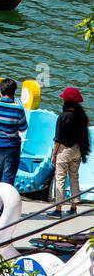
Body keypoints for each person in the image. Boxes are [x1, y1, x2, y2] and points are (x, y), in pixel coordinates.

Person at [51, 88, 89, 216]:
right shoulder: (82, 117)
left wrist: (53, 154)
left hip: (65, 150)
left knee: (60, 178)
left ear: (66, 101)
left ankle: (58, 209)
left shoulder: (63, 117)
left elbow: (58, 139)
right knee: (74, 177)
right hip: (77, 150)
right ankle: (73, 207)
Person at [0, 78, 28, 187]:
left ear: (0, 91)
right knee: (8, 177)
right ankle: (6, 201)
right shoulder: (18, 108)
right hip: (12, 146)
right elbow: (23, 128)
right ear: (14, 92)